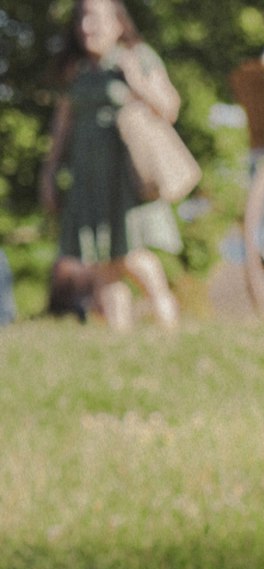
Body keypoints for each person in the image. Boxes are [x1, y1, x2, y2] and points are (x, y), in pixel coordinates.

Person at [40, 0, 183, 330]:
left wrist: (137, 82)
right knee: (102, 262)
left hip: (125, 173)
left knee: (131, 256)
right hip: (87, 173)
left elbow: (170, 107)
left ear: (119, 23)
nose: (87, 27)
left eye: (96, 20)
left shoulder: (138, 57)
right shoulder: (76, 69)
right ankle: (120, 342)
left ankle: (168, 326)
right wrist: (49, 172)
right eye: (82, 20)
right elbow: (62, 126)